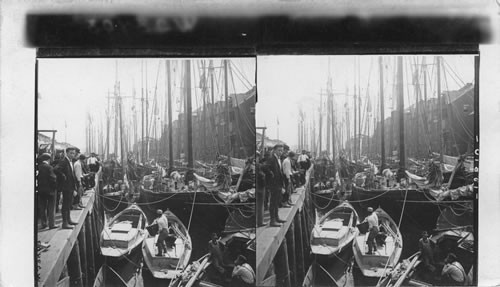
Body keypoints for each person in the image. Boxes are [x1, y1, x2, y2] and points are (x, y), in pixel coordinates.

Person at [54, 147, 78, 229]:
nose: (72, 154)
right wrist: (63, 176)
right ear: (67, 153)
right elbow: (56, 169)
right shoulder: (64, 161)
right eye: (71, 153)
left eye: (73, 153)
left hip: (70, 186)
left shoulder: (70, 162)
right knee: (65, 205)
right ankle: (65, 223)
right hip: (66, 186)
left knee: (69, 204)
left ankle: (69, 220)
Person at [37, 153, 59, 229]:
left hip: (41, 190)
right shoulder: (49, 167)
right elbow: (53, 179)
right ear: (48, 159)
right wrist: (55, 187)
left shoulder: (38, 167)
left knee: (42, 207)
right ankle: (52, 224)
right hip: (50, 191)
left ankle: (44, 223)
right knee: (51, 207)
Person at [268, 144, 286, 227]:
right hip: (274, 184)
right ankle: (272, 220)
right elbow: (264, 167)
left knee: (277, 202)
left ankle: (277, 217)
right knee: (273, 202)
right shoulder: (272, 159)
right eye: (279, 150)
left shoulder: (279, 159)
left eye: (281, 150)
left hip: (278, 184)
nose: (280, 152)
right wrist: (271, 175)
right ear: (274, 150)